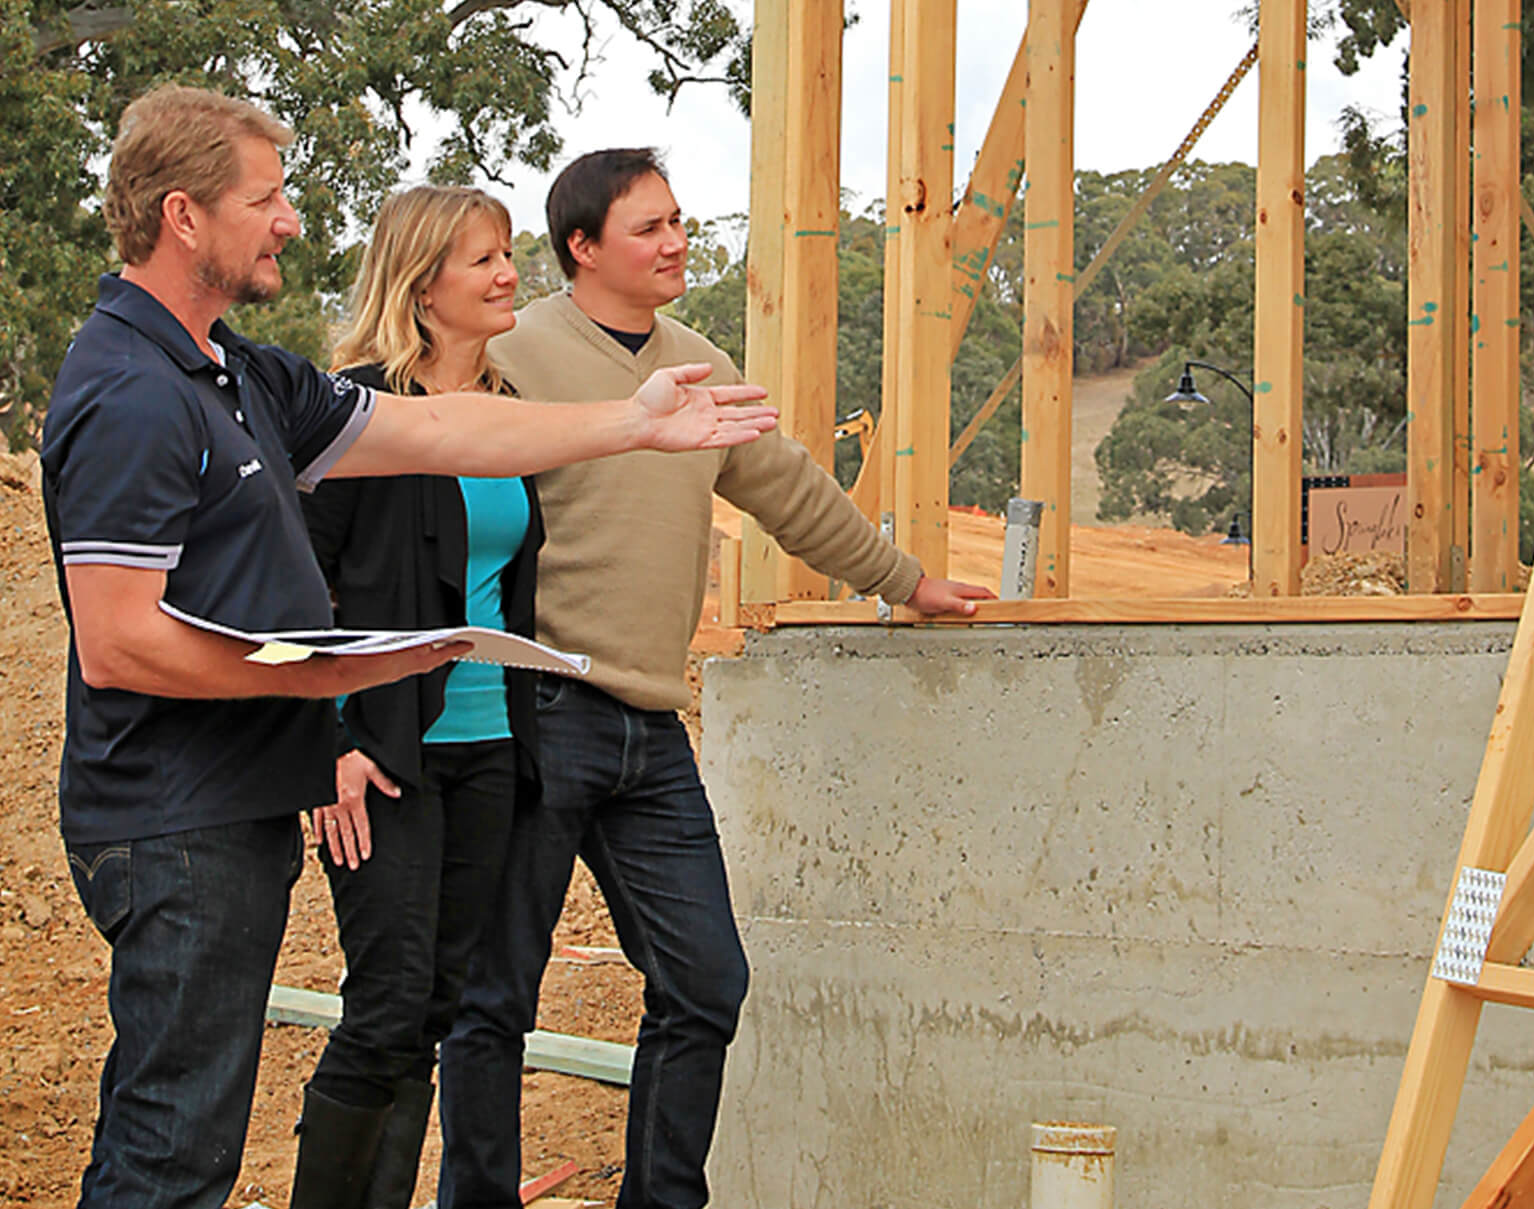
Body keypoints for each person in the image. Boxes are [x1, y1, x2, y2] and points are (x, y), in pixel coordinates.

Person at [39, 87, 777, 1209]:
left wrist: (634, 422)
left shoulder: (237, 374)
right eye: (267, 197)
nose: (289, 219)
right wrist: (336, 680)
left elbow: (436, 428)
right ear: (184, 217)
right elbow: (120, 644)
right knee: (169, 1152)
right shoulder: (134, 391)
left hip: (229, 810)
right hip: (169, 821)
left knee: (201, 1139)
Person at [435, 148, 995, 1209]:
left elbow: (788, 489)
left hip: (650, 724)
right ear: (583, 248)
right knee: (495, 993)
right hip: (540, 705)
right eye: (647, 228)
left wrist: (904, 580)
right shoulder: (521, 348)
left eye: (679, 221)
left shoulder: (695, 361)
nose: (676, 241)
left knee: (705, 982)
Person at [287, 184, 547, 1208]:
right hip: (383, 750)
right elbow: (297, 591)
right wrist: (328, 740)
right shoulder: (355, 412)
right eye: (483, 258)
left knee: (432, 1011)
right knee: (387, 1007)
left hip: (490, 751)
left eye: (507, 253)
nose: (506, 274)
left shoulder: (513, 416)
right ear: (423, 284)